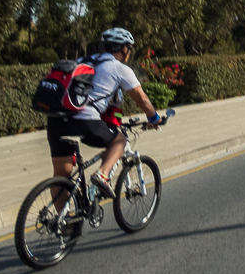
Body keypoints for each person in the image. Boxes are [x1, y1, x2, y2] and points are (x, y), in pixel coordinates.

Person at [46, 28, 161, 200]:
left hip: (56, 121)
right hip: (84, 120)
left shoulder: (82, 61)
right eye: (129, 48)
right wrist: (154, 118)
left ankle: (63, 225)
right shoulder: (119, 68)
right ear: (124, 49)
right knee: (120, 140)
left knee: (62, 178)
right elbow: (142, 99)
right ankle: (103, 174)